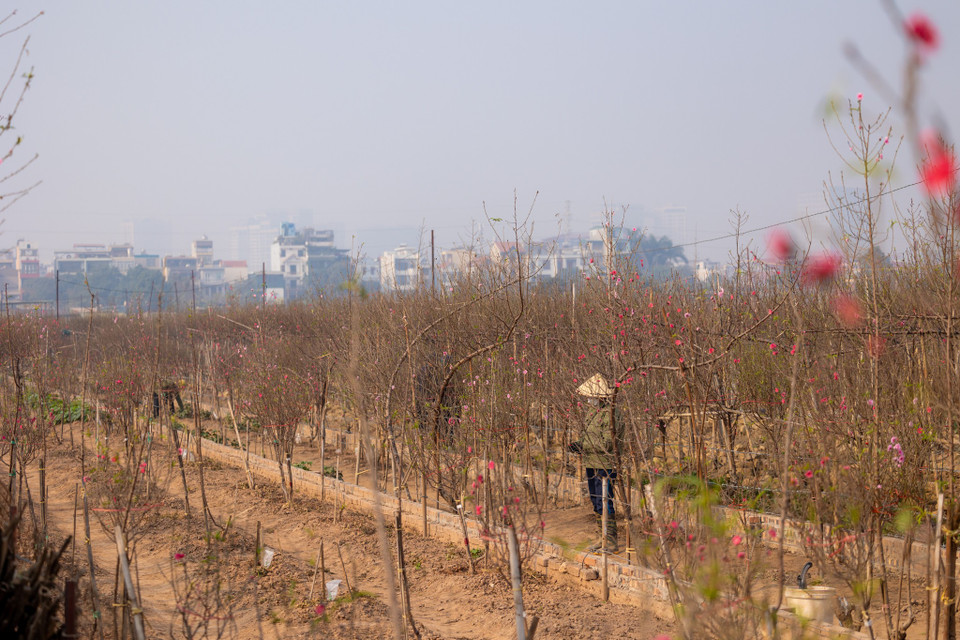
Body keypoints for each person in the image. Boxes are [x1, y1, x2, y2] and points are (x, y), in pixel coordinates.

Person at [572, 373, 623, 553]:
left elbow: (608, 443)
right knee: (595, 501)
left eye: (591, 396)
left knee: (605, 500)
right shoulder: (593, 412)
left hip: (605, 464)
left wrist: (584, 445)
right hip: (591, 462)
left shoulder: (612, 413)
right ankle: (601, 538)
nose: (588, 400)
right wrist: (579, 444)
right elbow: (589, 436)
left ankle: (611, 541)